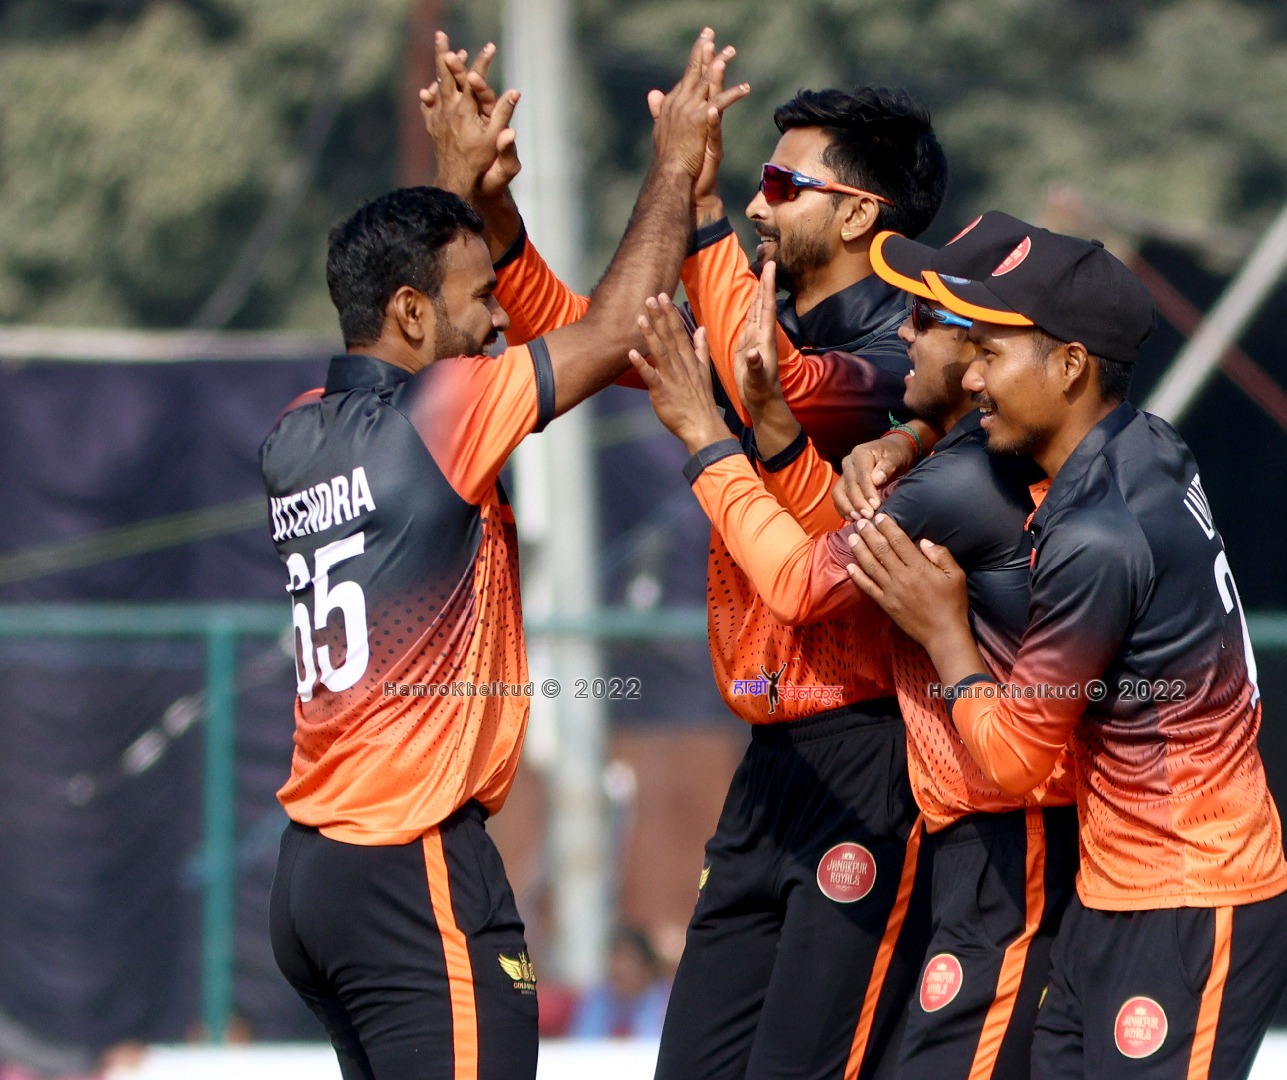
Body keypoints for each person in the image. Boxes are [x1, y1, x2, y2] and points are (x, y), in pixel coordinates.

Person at [431, 50, 951, 1080]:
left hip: (874, 758)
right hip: (769, 763)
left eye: (782, 184)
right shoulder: (767, 315)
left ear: (860, 213)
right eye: (754, 184)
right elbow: (582, 336)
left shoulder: (910, 344)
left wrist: (698, 200)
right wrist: (491, 208)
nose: (759, 206)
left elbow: (779, 381)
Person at [261, 31, 741, 1080]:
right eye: (481, 302)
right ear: (409, 313)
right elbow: (616, 331)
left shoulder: (296, 432)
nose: (496, 325)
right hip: (412, 869)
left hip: (317, 878)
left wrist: (456, 181)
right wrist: (673, 164)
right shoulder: (444, 412)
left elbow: (422, 288)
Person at [842, 214, 1287, 1080]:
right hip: (1114, 893)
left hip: (1190, 899)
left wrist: (942, 630)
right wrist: (908, 435)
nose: (970, 376)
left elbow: (1014, 761)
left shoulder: (1095, 535)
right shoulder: (1145, 443)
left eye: (990, 354)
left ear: (1069, 365)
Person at [632, 221, 1083, 1077]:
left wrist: (706, 439)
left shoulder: (955, 464)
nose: (905, 331)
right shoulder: (951, 451)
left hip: (985, 821)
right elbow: (833, 546)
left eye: (929, 317)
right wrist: (778, 424)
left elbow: (800, 584)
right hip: (871, 793)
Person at [568, 928, 672, 1040]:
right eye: (616, 960)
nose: (620, 969)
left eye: (630, 961)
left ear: (649, 967)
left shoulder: (666, 1000)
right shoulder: (597, 998)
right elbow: (583, 1040)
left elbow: (652, 1041)